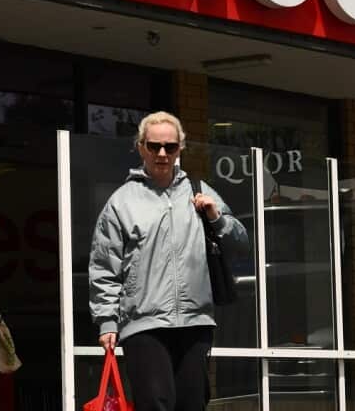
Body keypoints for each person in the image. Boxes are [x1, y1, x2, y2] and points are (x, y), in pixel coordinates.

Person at [89, 111, 248, 411]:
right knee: (155, 403)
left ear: (180, 149)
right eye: (154, 146)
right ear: (141, 147)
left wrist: (216, 217)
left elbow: (240, 243)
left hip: (194, 321)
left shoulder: (200, 192)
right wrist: (107, 320)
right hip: (143, 324)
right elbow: (105, 266)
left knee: (192, 404)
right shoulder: (122, 202)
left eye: (170, 147)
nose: (162, 154)